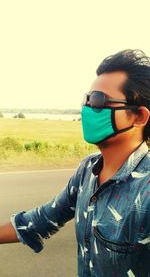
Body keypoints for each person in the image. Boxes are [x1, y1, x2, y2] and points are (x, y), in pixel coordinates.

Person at [0, 49, 150, 277]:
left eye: (99, 100)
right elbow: (41, 220)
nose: (88, 108)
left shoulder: (146, 190)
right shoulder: (87, 170)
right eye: (87, 99)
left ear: (139, 116)